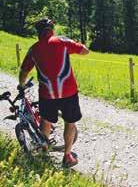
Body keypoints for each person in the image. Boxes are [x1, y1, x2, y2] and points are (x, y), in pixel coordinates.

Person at [18, 18, 89, 168]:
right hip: (68, 92)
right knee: (70, 123)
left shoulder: (34, 49)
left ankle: (44, 154)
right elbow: (85, 51)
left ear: (38, 32)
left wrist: (22, 85)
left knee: (46, 121)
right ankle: (67, 156)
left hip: (47, 94)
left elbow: (24, 71)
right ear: (52, 29)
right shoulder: (62, 41)